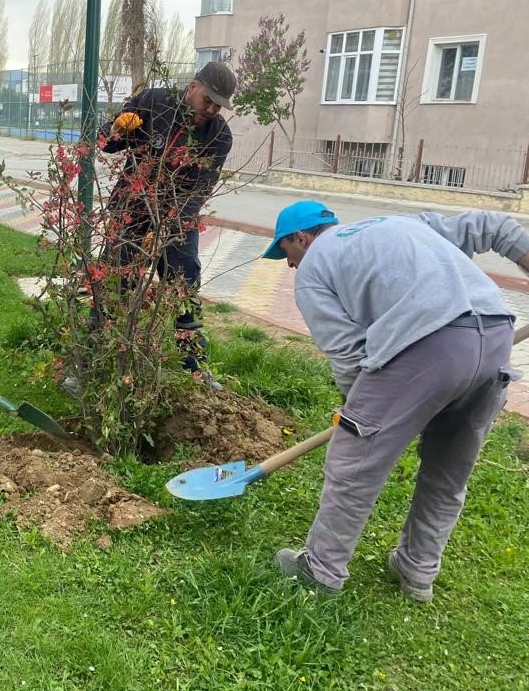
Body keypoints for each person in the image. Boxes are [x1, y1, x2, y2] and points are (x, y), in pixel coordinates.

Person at [263, 200, 529, 601]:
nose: (288, 264)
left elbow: (347, 353)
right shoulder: (403, 223)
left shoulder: (314, 267)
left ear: (300, 238)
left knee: (353, 464)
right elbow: (491, 225)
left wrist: (360, 417)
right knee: (448, 468)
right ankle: (417, 570)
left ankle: (321, 571)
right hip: (494, 337)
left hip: (426, 341)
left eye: (285, 251)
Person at [97, 61, 236, 382]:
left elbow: (198, 192)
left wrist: (165, 229)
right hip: (132, 208)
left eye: (218, 105)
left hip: (177, 218)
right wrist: (117, 130)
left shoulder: (219, 136)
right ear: (192, 87)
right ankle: (93, 359)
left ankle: (195, 367)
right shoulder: (153, 102)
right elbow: (107, 144)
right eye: (208, 100)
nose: (211, 109)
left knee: (184, 284)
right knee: (115, 280)